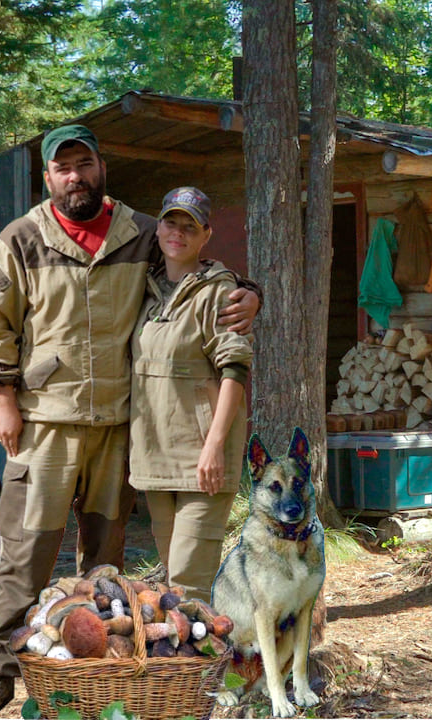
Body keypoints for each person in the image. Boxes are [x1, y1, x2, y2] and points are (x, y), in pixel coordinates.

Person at [0, 126, 260, 720]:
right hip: (44, 426)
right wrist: (2, 397)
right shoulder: (21, 239)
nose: (75, 176)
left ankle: (97, 684)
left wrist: (250, 292)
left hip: (118, 430)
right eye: (62, 168)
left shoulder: (140, 233)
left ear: (101, 168)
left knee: (105, 572)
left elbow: (195, 270)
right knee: (24, 560)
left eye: (85, 164)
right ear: (48, 178)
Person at [129, 187, 251, 603]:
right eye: (171, 222)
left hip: (203, 460)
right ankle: (186, 666)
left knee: (188, 582)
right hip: (155, 454)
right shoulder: (142, 289)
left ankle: (210, 669)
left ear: (206, 235)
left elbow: (235, 369)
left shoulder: (219, 292)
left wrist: (214, 446)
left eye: (189, 226)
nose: (177, 233)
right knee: (173, 585)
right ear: (158, 227)